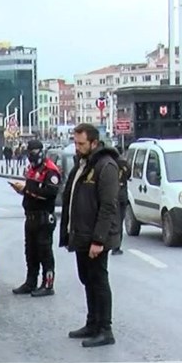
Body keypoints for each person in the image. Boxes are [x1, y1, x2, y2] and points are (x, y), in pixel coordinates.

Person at [59, 123, 121, 348]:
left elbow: (108, 206)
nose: (77, 147)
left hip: (95, 237)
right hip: (82, 235)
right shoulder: (82, 164)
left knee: (98, 281)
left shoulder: (106, 166)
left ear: (94, 143)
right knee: (87, 279)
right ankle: (92, 322)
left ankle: (105, 329)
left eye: (81, 143)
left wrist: (98, 240)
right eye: (75, 143)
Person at [10, 139, 60, 297]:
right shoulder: (31, 169)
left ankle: (48, 284)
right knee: (30, 252)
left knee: (44, 252)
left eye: (32, 153)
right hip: (30, 217)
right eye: (28, 153)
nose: (30, 156)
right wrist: (22, 190)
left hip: (44, 217)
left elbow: (50, 193)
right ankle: (30, 282)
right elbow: (31, 191)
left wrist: (27, 189)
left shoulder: (50, 170)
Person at [113, 153, 131, 256]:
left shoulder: (109, 164)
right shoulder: (124, 164)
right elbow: (129, 174)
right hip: (122, 195)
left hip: (113, 195)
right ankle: (116, 246)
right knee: (119, 222)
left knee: (114, 221)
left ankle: (112, 245)